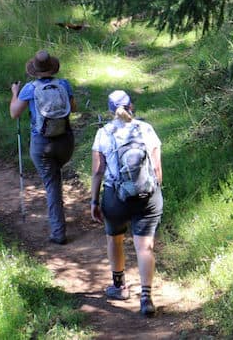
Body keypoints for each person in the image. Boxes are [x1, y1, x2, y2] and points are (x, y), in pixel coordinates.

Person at [89, 90, 164, 316]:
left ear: (110, 111)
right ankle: (146, 298)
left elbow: (97, 171)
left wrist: (94, 201)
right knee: (144, 246)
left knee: (115, 238)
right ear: (132, 106)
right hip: (147, 195)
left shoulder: (103, 133)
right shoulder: (146, 129)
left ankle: (119, 286)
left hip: (115, 197)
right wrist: (154, 192)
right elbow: (157, 169)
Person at [9, 50, 77, 244]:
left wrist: (15, 94)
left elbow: (14, 113)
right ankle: (59, 219)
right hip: (65, 142)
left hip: (42, 144)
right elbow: (74, 108)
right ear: (52, 67)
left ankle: (58, 233)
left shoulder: (30, 88)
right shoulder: (63, 84)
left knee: (52, 184)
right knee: (55, 177)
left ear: (34, 70)